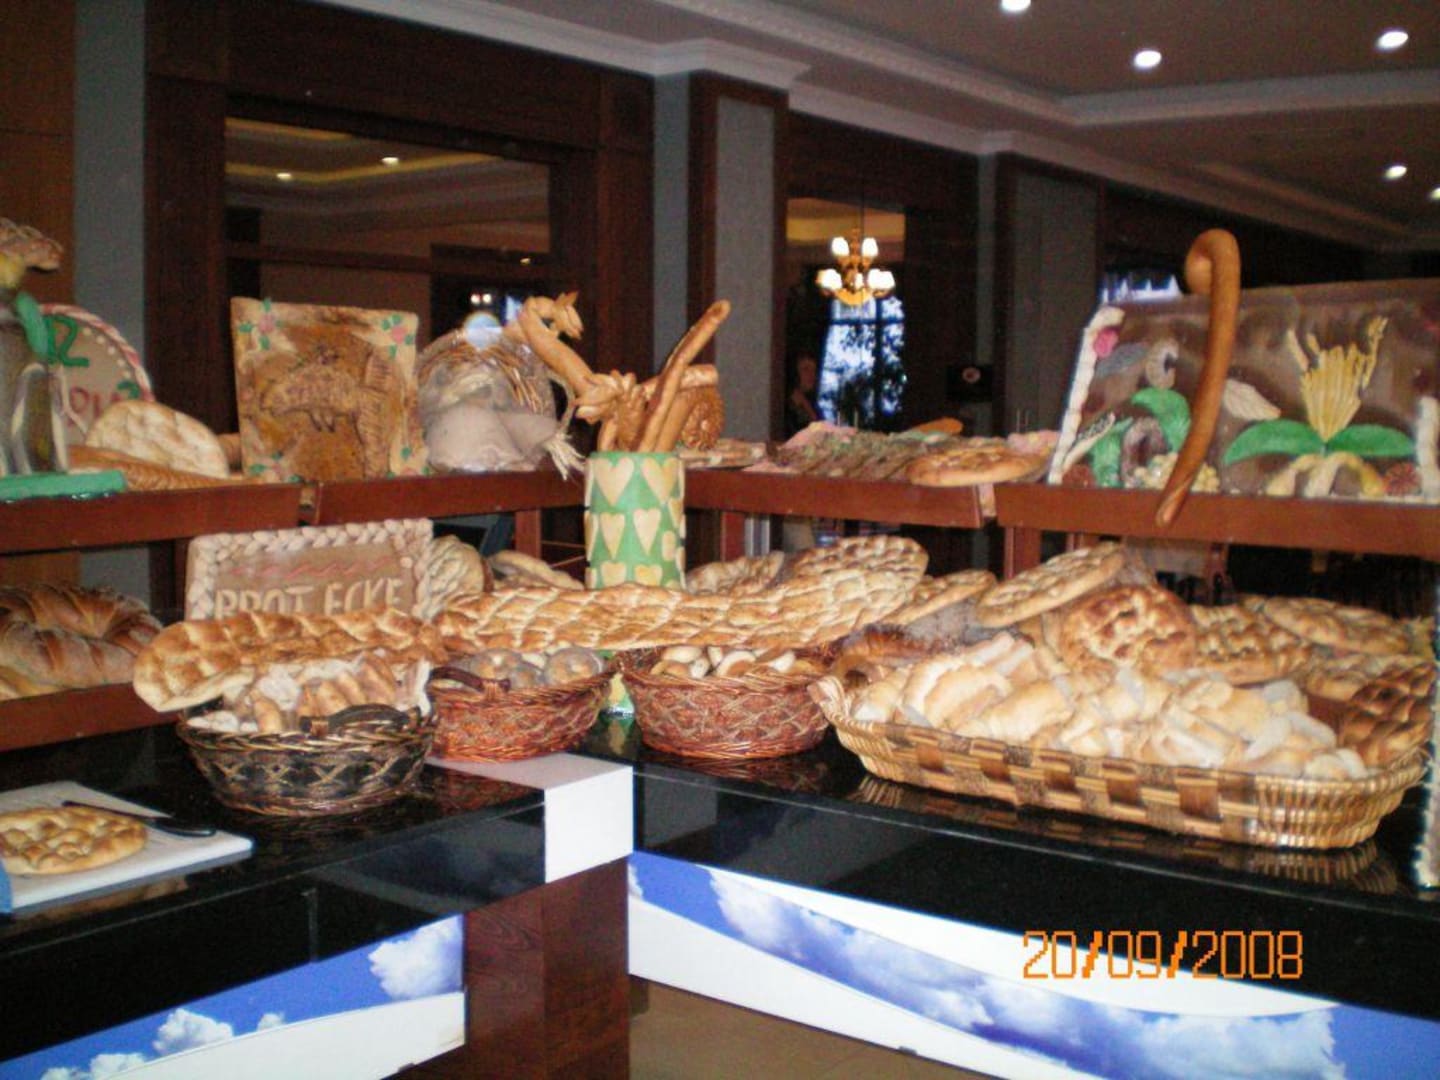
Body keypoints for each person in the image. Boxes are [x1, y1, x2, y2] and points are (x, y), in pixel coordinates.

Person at [785, 352, 821, 437]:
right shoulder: (787, 407)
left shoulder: (813, 405)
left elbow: (820, 431)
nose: (811, 375)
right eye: (806, 369)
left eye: (814, 370)